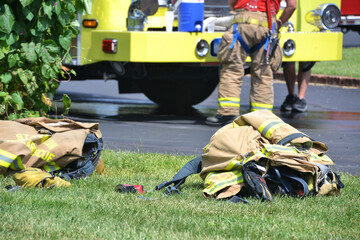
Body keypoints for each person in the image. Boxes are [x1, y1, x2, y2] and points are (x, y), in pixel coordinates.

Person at [206, 0, 297, 126]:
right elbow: (292, 6)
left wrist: (235, 8)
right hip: (267, 26)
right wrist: (279, 23)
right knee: (263, 74)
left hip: (243, 23)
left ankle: (227, 113)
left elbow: (232, 1)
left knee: (232, 71)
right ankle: (261, 118)